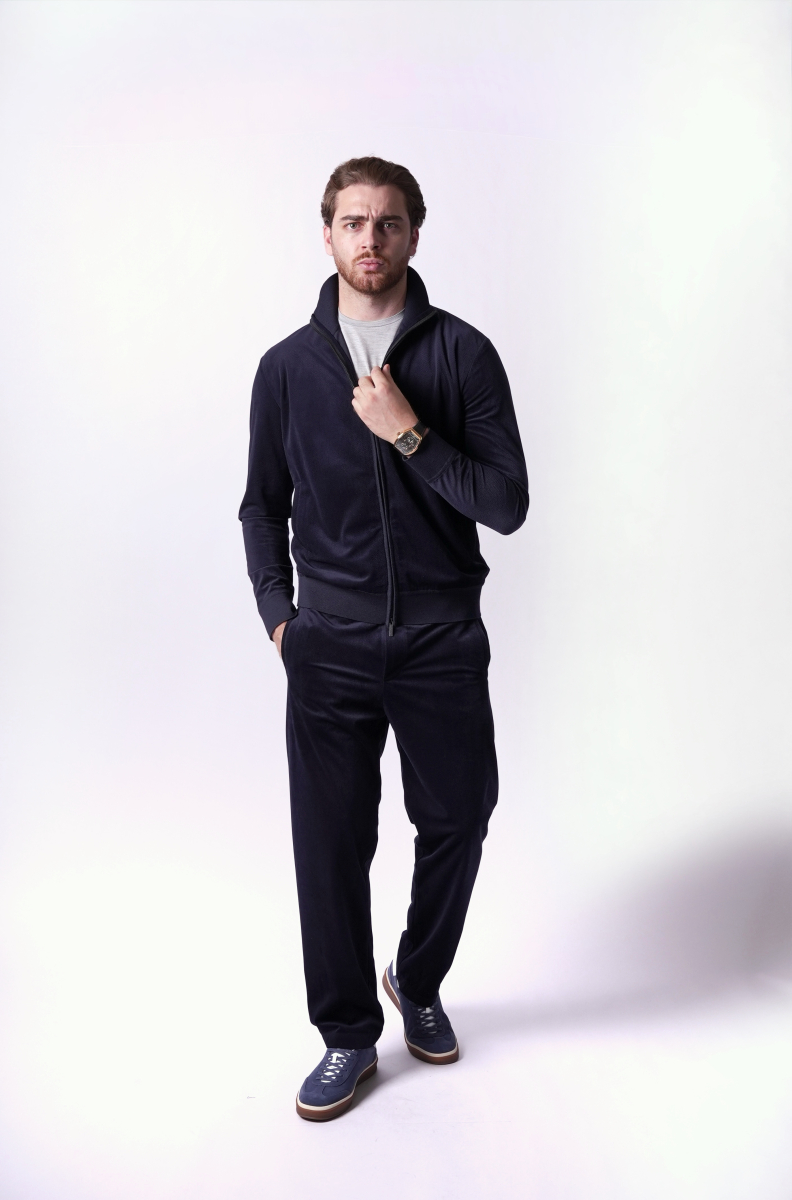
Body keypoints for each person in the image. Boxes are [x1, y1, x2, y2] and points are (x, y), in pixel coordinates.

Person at [239, 156, 528, 1121]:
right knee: (329, 845)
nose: (371, 239)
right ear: (327, 234)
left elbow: (507, 504)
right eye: (354, 222)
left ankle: (418, 976)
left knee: (460, 818)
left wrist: (409, 433)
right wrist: (280, 617)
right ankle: (348, 1036)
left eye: (389, 222)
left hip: (443, 639)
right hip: (327, 644)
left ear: (413, 234)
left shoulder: (464, 355)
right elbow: (260, 506)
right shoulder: (287, 369)